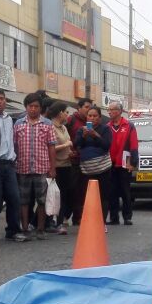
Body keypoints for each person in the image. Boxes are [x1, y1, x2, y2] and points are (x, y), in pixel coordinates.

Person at [14, 93, 57, 241]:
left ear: (40, 108)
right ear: (26, 107)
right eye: (30, 106)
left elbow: (52, 147)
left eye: (36, 106)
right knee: (23, 201)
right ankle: (25, 228)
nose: (33, 109)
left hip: (42, 168)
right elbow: (14, 146)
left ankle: (40, 229)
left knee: (42, 200)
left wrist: (53, 168)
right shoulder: (18, 124)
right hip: (23, 168)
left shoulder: (47, 124)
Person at [0, 87, 22, 242]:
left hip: (9, 164)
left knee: (14, 198)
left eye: (2, 98)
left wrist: (15, 157)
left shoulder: (9, 119)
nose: (0, 101)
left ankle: (13, 230)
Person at [73, 106, 112, 228]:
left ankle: (102, 222)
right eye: (90, 115)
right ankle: (88, 220)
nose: (92, 118)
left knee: (103, 195)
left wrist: (95, 135)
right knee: (85, 195)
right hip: (86, 169)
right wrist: (83, 136)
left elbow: (106, 145)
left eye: (95, 116)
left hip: (103, 168)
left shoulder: (105, 129)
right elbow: (76, 145)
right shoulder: (81, 130)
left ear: (100, 118)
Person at [105, 102, 138, 226]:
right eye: (108, 110)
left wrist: (133, 162)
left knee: (125, 192)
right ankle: (114, 218)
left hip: (125, 164)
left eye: (112, 110)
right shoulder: (107, 126)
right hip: (110, 164)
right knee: (112, 192)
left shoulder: (129, 126)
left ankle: (127, 217)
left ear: (119, 111)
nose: (109, 112)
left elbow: (134, 145)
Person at [47, 100, 74, 234]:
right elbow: (50, 147)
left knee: (67, 194)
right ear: (60, 113)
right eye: (66, 112)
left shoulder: (64, 127)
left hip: (67, 164)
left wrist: (71, 151)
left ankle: (61, 220)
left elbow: (69, 143)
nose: (68, 115)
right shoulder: (50, 127)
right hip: (56, 166)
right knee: (55, 196)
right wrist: (66, 145)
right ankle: (53, 222)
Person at [66, 97, 92, 225]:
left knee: (83, 190)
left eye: (90, 107)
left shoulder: (90, 122)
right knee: (73, 189)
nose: (89, 110)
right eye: (86, 107)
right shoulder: (71, 120)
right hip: (72, 161)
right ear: (79, 108)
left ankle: (78, 217)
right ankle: (66, 217)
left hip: (86, 161)